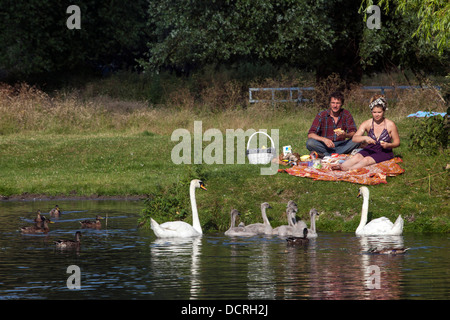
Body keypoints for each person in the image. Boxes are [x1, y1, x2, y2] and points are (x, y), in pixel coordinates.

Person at [334, 94, 400, 171]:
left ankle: (350, 170)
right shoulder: (367, 123)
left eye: (379, 112)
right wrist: (365, 138)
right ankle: (341, 166)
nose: (377, 115)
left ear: (384, 111)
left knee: (366, 160)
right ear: (371, 111)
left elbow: (397, 142)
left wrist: (389, 145)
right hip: (370, 148)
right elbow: (354, 138)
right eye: (374, 112)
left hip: (384, 151)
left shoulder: (390, 124)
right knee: (357, 157)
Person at [306, 91, 359, 157]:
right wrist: (324, 139)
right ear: (330, 103)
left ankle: (327, 155)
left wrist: (345, 135)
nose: (335, 106)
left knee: (358, 140)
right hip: (325, 145)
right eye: (333, 103)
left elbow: (353, 133)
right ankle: (337, 154)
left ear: (341, 104)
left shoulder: (346, 114)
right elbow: (310, 134)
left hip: (341, 144)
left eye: (338, 103)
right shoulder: (322, 115)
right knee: (310, 143)